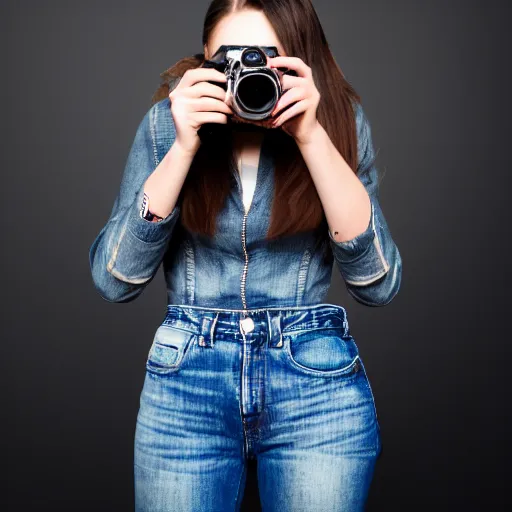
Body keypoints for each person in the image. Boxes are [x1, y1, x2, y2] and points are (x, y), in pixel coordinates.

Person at [88, 1, 402, 510]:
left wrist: (311, 135)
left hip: (315, 389)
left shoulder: (339, 125)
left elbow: (378, 284)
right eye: (229, 60)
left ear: (301, 62)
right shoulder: (168, 125)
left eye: (267, 59)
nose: (249, 75)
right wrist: (183, 146)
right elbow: (115, 280)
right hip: (187, 385)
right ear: (204, 63)